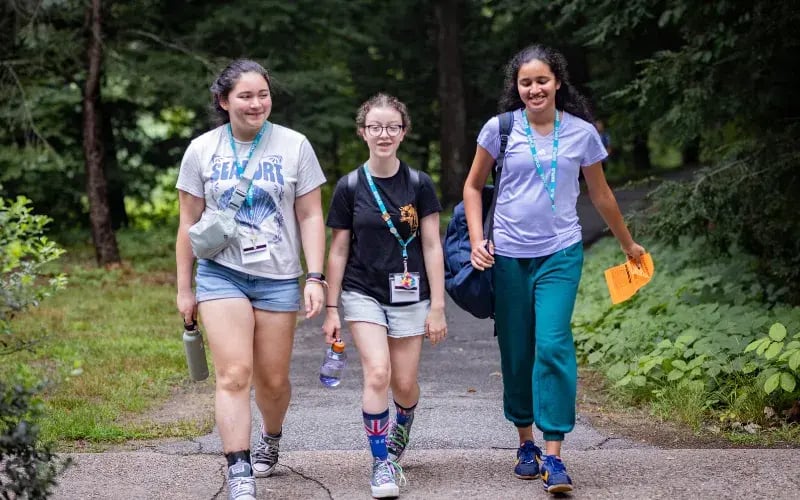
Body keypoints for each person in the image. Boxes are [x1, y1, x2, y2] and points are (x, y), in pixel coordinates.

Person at [463, 45, 645, 495]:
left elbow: (601, 194)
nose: (534, 89)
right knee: (517, 351)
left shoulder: (582, 133)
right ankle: (525, 443)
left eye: (542, 80)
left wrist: (627, 244)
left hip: (561, 254)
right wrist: (476, 241)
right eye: (526, 82)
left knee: (553, 345)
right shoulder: (499, 129)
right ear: (517, 87)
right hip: (506, 256)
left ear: (557, 82)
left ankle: (555, 453)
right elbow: (472, 186)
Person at [175, 59, 327, 500]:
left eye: (263, 94)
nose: (256, 102)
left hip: (279, 277)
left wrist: (314, 276)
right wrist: (185, 288)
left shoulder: (294, 145)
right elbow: (188, 224)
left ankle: (272, 436)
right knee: (234, 374)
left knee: (272, 383)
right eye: (245, 95)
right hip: (221, 274)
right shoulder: (201, 150)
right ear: (224, 102)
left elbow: (311, 214)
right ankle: (237, 467)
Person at [323, 93, 447, 498]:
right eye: (375, 127)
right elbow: (339, 249)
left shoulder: (418, 184)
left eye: (392, 127)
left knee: (404, 384)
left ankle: (403, 425)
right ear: (362, 132)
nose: (383, 134)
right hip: (363, 292)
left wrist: (439, 308)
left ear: (403, 132)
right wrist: (331, 306)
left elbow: (432, 245)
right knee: (378, 372)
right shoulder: (349, 186)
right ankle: (381, 465)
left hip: (411, 295)